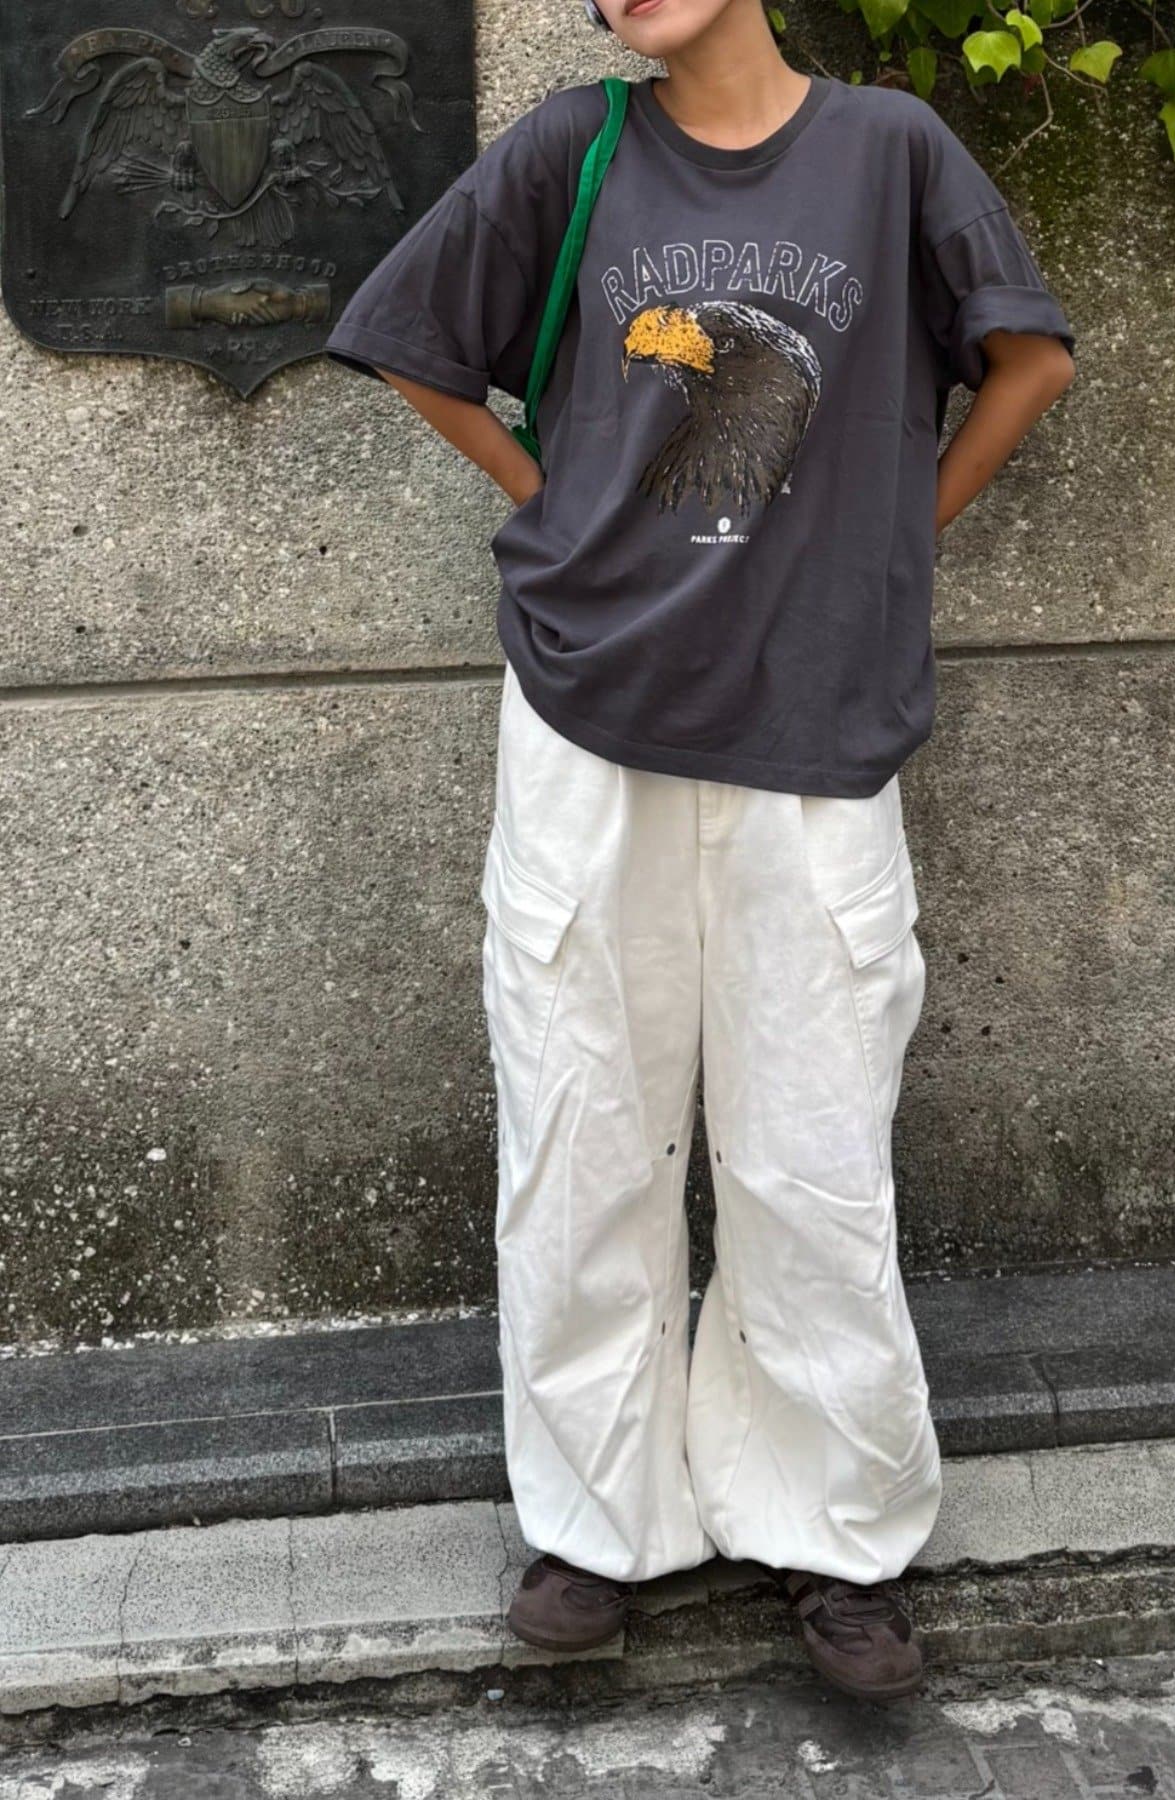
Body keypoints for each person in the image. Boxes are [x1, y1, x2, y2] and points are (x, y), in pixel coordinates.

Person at [324, 0, 1076, 1705]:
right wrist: (553, 509)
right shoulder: (571, 148)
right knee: (581, 1119)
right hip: (589, 710)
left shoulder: (889, 150)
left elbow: (1028, 359)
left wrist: (888, 540)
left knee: (812, 1143)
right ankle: (592, 1521)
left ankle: (837, 1532)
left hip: (816, 717)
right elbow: (417, 344)